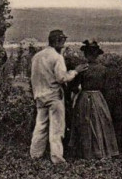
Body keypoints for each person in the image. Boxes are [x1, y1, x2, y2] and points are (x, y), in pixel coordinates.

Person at [29, 29, 88, 164]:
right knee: (57, 128)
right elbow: (62, 78)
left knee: (40, 125)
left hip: (39, 95)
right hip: (54, 96)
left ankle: (35, 155)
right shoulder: (57, 57)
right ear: (56, 41)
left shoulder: (37, 57)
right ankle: (57, 159)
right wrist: (75, 71)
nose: (63, 44)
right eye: (62, 41)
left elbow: (34, 77)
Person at [70, 40, 119, 159]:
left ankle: (86, 152)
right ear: (97, 55)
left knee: (85, 122)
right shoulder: (103, 69)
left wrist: (76, 93)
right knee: (101, 122)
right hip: (99, 98)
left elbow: (74, 87)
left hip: (84, 97)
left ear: (86, 55)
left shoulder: (82, 69)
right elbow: (107, 87)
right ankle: (100, 150)